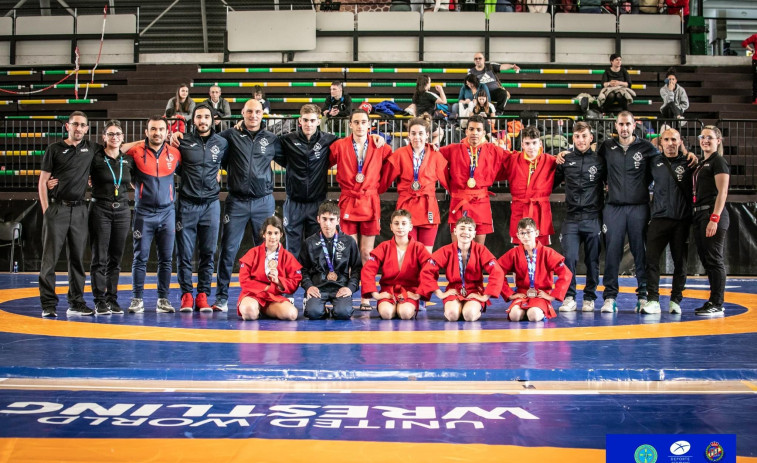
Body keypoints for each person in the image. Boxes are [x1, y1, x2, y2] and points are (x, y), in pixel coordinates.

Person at [213, 99, 282, 312]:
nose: (253, 115)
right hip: (237, 201)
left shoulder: (272, 139)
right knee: (228, 250)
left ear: (263, 114)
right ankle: (222, 297)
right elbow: (208, 146)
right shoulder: (229, 136)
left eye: (258, 111)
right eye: (249, 111)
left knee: (267, 251)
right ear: (242, 112)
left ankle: (267, 295)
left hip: (263, 201)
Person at [329, 109, 392, 311]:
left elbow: (395, 164)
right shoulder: (339, 146)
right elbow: (321, 161)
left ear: (369, 124)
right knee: (348, 252)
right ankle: (345, 294)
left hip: (370, 200)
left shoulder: (379, 145)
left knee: (366, 253)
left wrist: (377, 189)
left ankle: (366, 294)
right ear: (350, 125)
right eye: (356, 122)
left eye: (363, 122)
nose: (359, 126)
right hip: (348, 200)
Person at [37, 111, 96, 317]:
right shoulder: (54, 149)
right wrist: (47, 211)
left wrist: (144, 139)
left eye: (82, 125)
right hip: (57, 209)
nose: (78, 128)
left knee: (78, 260)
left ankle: (76, 302)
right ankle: (48, 305)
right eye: (75, 124)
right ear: (67, 127)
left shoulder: (91, 148)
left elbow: (119, 147)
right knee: (49, 260)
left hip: (80, 210)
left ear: (87, 129)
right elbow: (43, 181)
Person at [122, 116, 182, 314]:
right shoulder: (136, 151)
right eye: (153, 129)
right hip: (144, 213)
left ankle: (163, 299)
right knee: (140, 258)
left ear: (167, 132)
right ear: (146, 132)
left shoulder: (175, 153)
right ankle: (137, 298)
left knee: (166, 259)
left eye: (161, 129)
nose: (157, 133)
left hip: (167, 212)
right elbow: (118, 149)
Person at [174, 104, 228, 313]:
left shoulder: (222, 142)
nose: (203, 120)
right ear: (193, 120)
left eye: (206, 116)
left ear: (213, 119)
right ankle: (187, 295)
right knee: (185, 254)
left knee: (208, 252)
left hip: (211, 205)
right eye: (199, 117)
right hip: (187, 204)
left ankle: (203, 295)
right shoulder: (182, 141)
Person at [553, 121, 606, 313]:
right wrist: (554, 159)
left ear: (591, 138)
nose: (581, 140)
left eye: (584, 136)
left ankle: (590, 297)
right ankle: (569, 296)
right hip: (571, 218)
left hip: (593, 217)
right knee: (570, 258)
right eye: (577, 136)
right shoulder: (565, 160)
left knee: (592, 260)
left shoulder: (600, 161)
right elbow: (548, 182)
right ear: (572, 139)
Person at [275, 104, 339, 259]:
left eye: (312, 120)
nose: (308, 124)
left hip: (317, 202)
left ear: (318, 121)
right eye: (305, 120)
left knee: (315, 247)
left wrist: (374, 138)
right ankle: (292, 282)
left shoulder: (329, 140)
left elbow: (352, 143)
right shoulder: (287, 140)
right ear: (299, 120)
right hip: (294, 203)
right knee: (292, 249)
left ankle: (313, 282)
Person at [379, 114, 449, 252]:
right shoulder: (399, 154)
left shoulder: (436, 155)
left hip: (428, 206)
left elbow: (448, 182)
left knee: (426, 254)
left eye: (421, 133)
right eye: (413, 133)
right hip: (407, 206)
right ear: (409, 135)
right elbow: (384, 180)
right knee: (407, 252)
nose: (417, 137)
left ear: (427, 135)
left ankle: (424, 275)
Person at [642, 128, 693, 315]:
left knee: (680, 262)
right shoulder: (653, 162)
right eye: (666, 139)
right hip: (659, 219)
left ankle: (675, 301)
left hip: (681, 220)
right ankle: (653, 300)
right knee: (652, 260)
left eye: (674, 139)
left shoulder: (689, 162)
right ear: (660, 142)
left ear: (680, 142)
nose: (670, 143)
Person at [439, 114, 511, 244]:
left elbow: (516, 160)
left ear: (484, 132)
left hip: (480, 201)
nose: (474, 133)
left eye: (478, 130)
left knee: (479, 250)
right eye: (471, 129)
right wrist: (430, 147)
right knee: (457, 249)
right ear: (466, 131)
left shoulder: (494, 150)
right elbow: (432, 157)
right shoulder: (453, 149)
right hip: (459, 200)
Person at [85, 120, 133, 315]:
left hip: (122, 210)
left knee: (116, 258)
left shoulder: (128, 160)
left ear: (123, 138)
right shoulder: (95, 158)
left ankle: (112, 299)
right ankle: (99, 300)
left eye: (118, 134)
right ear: (104, 137)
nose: (114, 137)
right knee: (100, 257)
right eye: (110, 134)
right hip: (100, 209)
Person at [418, 216, 505, 322]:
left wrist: (485, 296)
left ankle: (475, 309)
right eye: (462, 228)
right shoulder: (446, 250)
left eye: (469, 229)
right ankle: (456, 309)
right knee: (452, 316)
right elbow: (427, 271)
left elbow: (497, 272)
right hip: (454, 290)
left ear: (474, 233)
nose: (465, 232)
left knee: (469, 315)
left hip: (475, 290)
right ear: (455, 231)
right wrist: (440, 293)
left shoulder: (481, 250)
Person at [361, 210, 432, 320]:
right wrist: (375, 294)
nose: (400, 227)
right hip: (388, 291)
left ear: (410, 227)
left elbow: (429, 270)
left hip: (409, 291)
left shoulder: (419, 247)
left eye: (404, 223)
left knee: (405, 314)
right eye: (396, 223)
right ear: (391, 227)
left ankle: (410, 306)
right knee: (386, 314)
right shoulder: (384, 247)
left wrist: (419, 294)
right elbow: (368, 270)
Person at [497, 218, 572, 322]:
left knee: (534, 315)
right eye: (522, 233)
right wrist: (510, 294)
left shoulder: (548, 252)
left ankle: (539, 312)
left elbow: (566, 274)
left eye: (528, 232)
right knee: (514, 316)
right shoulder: (513, 253)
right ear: (518, 235)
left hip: (540, 294)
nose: (525, 236)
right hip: (522, 294)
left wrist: (553, 296)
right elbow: (497, 271)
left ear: (536, 233)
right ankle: (526, 311)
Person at [299, 201, 362, 320]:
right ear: (318, 219)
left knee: (343, 313)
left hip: (340, 287)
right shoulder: (309, 242)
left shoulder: (349, 242)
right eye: (324, 219)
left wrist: (350, 288)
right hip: (318, 287)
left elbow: (356, 268)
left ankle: (338, 308)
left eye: (332, 219)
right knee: (313, 313)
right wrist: (309, 287)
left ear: (338, 220)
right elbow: (302, 269)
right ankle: (324, 311)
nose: (327, 224)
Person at [691, 125, 730, 316]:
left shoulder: (718, 161)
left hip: (712, 214)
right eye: (702, 137)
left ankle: (717, 303)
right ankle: (713, 301)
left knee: (714, 260)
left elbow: (722, 192)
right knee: (707, 260)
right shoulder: (702, 163)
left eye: (710, 138)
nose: (705, 140)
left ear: (718, 141)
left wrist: (714, 218)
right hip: (700, 215)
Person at [499, 125, 557, 246]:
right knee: (518, 251)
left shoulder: (551, 161)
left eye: (534, 143)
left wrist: (565, 154)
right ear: (522, 144)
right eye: (527, 143)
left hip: (540, 211)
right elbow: (491, 166)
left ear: (540, 143)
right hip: (520, 209)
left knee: (541, 252)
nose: (531, 147)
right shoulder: (512, 160)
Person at [236, 216, 301, 321]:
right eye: (269, 233)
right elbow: (244, 281)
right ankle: (255, 308)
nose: (273, 237)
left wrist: (279, 281)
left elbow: (295, 282)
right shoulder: (253, 253)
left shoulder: (287, 257)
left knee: (291, 314)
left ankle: (264, 310)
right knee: (249, 312)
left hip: (273, 297)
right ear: (264, 234)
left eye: (276, 233)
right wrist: (266, 288)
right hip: (253, 295)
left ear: (281, 235)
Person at [742, 33, 757, 104]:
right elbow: (744, 43)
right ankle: (755, 99)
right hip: (756, 60)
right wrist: (751, 50)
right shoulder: (755, 36)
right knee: (756, 80)